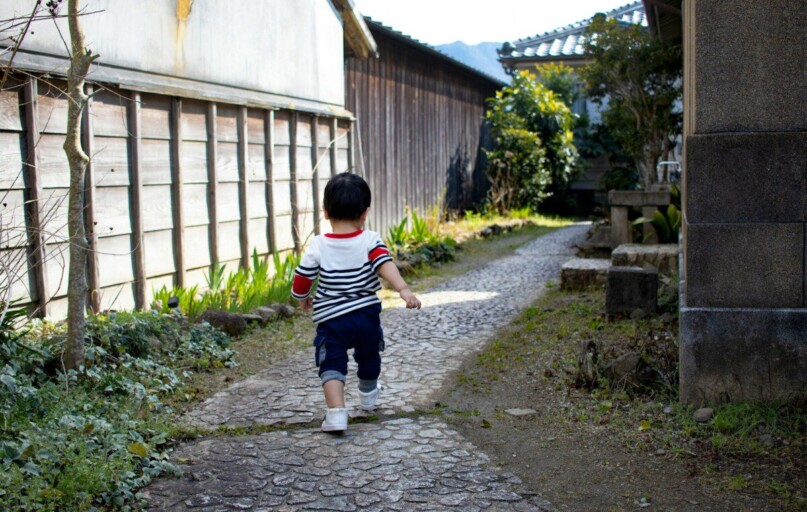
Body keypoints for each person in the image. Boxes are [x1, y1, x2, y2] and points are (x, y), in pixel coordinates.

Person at [291, 172, 421, 433]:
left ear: (326, 212)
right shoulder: (370, 240)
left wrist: (302, 297)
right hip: (365, 317)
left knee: (331, 363)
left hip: (331, 321)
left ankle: (337, 413)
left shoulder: (318, 245)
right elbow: (384, 264)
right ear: (365, 213)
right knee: (369, 354)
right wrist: (403, 289)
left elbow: (303, 277)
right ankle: (369, 395)